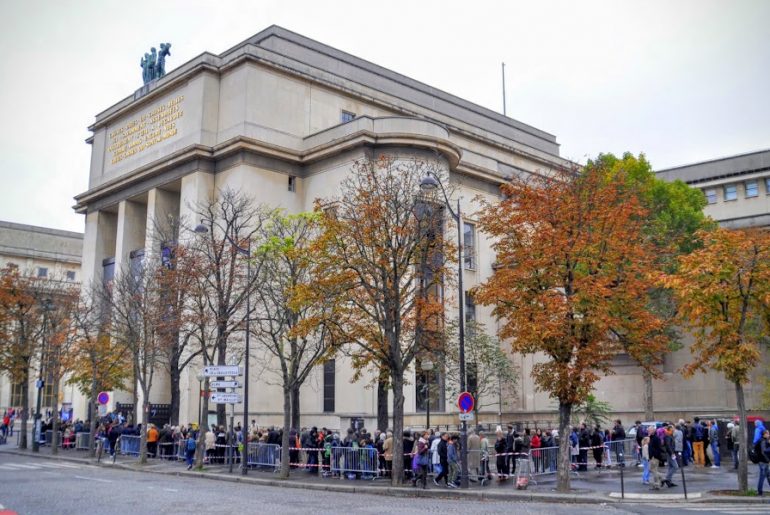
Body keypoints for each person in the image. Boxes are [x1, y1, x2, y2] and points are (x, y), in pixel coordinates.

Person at [648, 425, 663, 490]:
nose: (648, 431)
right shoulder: (650, 438)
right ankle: (661, 479)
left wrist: (655, 455)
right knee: (652, 470)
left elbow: (658, 448)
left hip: (654, 457)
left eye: (650, 430)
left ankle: (657, 484)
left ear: (653, 431)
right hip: (652, 456)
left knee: (654, 470)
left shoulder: (656, 438)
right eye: (648, 430)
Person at [757, 429, 770, 497]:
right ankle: (759, 492)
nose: (769, 435)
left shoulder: (764, 440)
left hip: (764, 461)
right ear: (764, 434)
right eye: (768, 434)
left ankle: (759, 492)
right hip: (763, 461)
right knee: (762, 477)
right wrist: (767, 460)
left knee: (768, 476)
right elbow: (764, 451)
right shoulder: (763, 441)